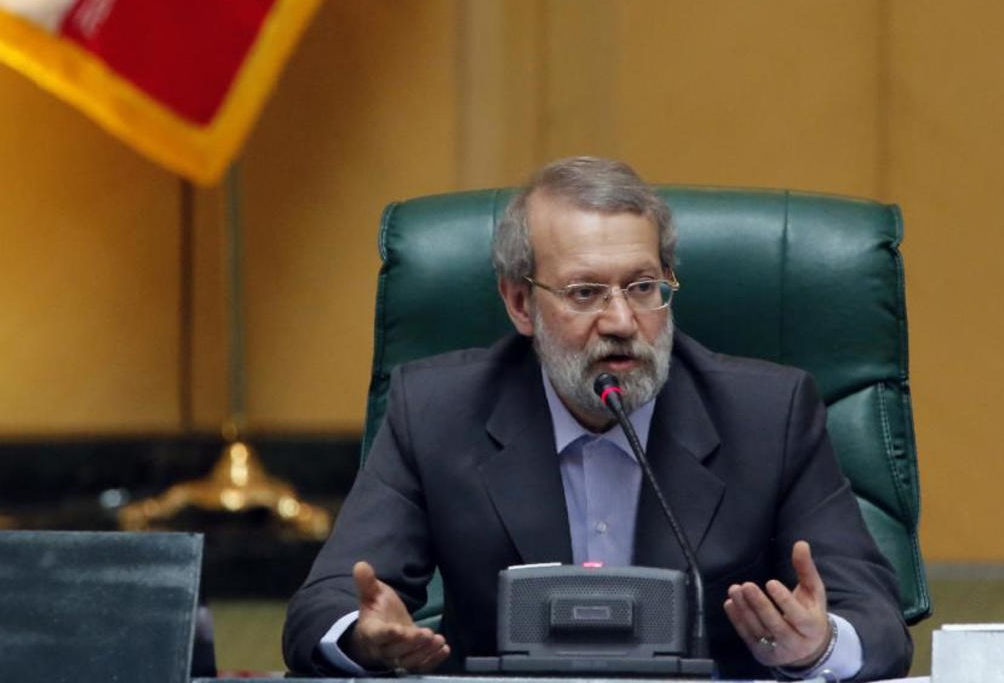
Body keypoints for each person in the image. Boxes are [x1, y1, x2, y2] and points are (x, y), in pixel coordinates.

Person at [282, 157, 912, 680]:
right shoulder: (436, 410)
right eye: (585, 293)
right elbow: (326, 607)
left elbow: (877, 617)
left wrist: (818, 645)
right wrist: (365, 639)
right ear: (520, 303)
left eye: (642, 287)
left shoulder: (769, 416)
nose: (620, 321)